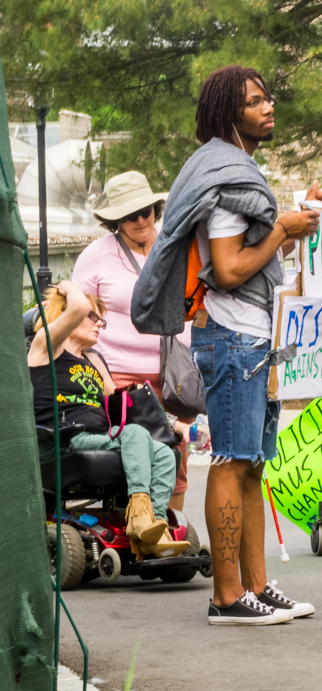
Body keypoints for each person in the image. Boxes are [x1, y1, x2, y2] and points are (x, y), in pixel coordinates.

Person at [132, 64, 322, 626]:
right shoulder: (225, 179)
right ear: (228, 114)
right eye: (254, 102)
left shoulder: (236, 173)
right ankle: (226, 597)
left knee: (251, 465)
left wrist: (295, 220)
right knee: (231, 459)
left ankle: (257, 589)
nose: (268, 108)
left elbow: (257, 257)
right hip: (232, 338)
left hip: (250, 339)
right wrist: (284, 230)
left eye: (269, 98)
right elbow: (228, 268)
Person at [71, 171, 200, 513]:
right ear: (116, 221)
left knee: (176, 461)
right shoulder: (96, 256)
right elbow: (75, 316)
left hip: (175, 378)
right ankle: (134, 529)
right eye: (131, 216)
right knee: (133, 460)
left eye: (147, 211)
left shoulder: (179, 246)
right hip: (118, 382)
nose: (141, 220)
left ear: (156, 209)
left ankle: (171, 531)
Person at [30, 281, 188, 558]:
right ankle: (139, 517)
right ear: (68, 313)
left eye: (101, 320)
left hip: (98, 438)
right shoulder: (45, 346)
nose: (99, 324)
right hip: (63, 438)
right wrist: (66, 287)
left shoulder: (93, 360)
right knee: (136, 434)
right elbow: (77, 304)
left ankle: (155, 525)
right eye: (93, 316)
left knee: (164, 453)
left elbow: (127, 404)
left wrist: (173, 423)